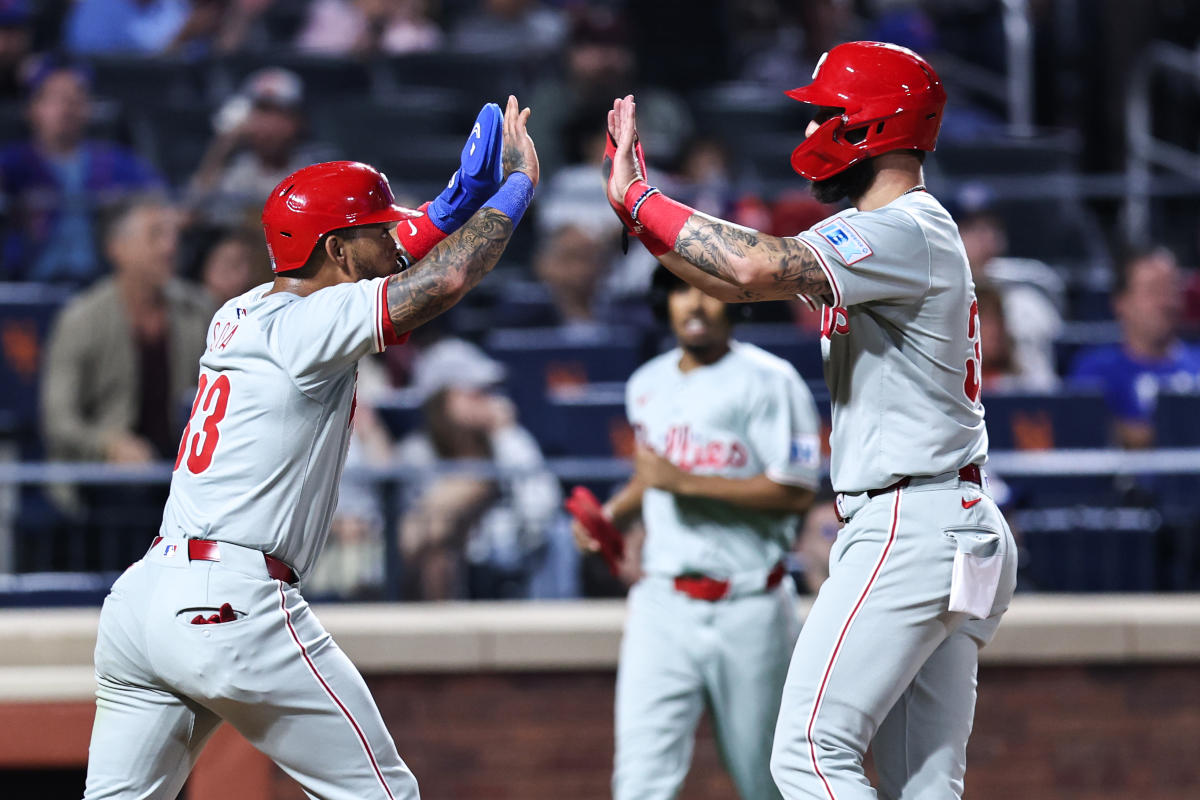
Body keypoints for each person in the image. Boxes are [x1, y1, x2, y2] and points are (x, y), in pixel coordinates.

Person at [81, 96, 538, 799]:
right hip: (230, 603)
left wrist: (452, 202)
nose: (393, 242)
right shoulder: (315, 321)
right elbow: (442, 279)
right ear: (337, 250)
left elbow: (388, 259)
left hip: (145, 601)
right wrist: (513, 194)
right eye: (376, 233)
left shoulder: (244, 308)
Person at [603, 41, 1018, 799]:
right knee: (919, 786)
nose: (812, 132)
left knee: (806, 754)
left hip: (910, 522)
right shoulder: (909, 233)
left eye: (828, 114)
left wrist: (640, 199)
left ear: (870, 125)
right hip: (946, 515)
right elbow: (732, 286)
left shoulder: (902, 226)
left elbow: (755, 266)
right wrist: (637, 217)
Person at [572, 265, 821, 800]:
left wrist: (683, 483)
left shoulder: (772, 380)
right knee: (639, 781)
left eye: (710, 293)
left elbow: (796, 489)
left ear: (734, 302)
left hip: (750, 601)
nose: (695, 306)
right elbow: (654, 475)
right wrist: (612, 515)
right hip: (662, 603)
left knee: (766, 779)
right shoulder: (647, 384)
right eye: (682, 291)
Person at [397, 337, 561, 600]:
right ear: (443, 400)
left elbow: (542, 511)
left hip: (511, 570)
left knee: (560, 538)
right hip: (446, 579)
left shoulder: (506, 442)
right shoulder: (416, 452)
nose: (489, 401)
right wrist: (468, 488)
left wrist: (508, 434)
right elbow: (408, 539)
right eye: (476, 392)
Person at [0, 60, 163, 282]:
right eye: (55, 98)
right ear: (32, 108)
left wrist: (124, 205)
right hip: (30, 282)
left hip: (102, 284)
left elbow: (162, 201)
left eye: (76, 98)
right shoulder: (14, 161)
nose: (67, 108)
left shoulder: (115, 161)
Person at [1069, 246, 1200, 449]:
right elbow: (1084, 429)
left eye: (1172, 289)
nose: (1166, 302)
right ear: (1121, 303)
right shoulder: (1095, 370)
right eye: (1153, 291)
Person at [187, 67, 335, 227]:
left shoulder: (314, 172)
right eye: (261, 113)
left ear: (298, 122)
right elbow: (190, 212)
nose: (267, 127)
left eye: (278, 115)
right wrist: (224, 144)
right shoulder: (234, 169)